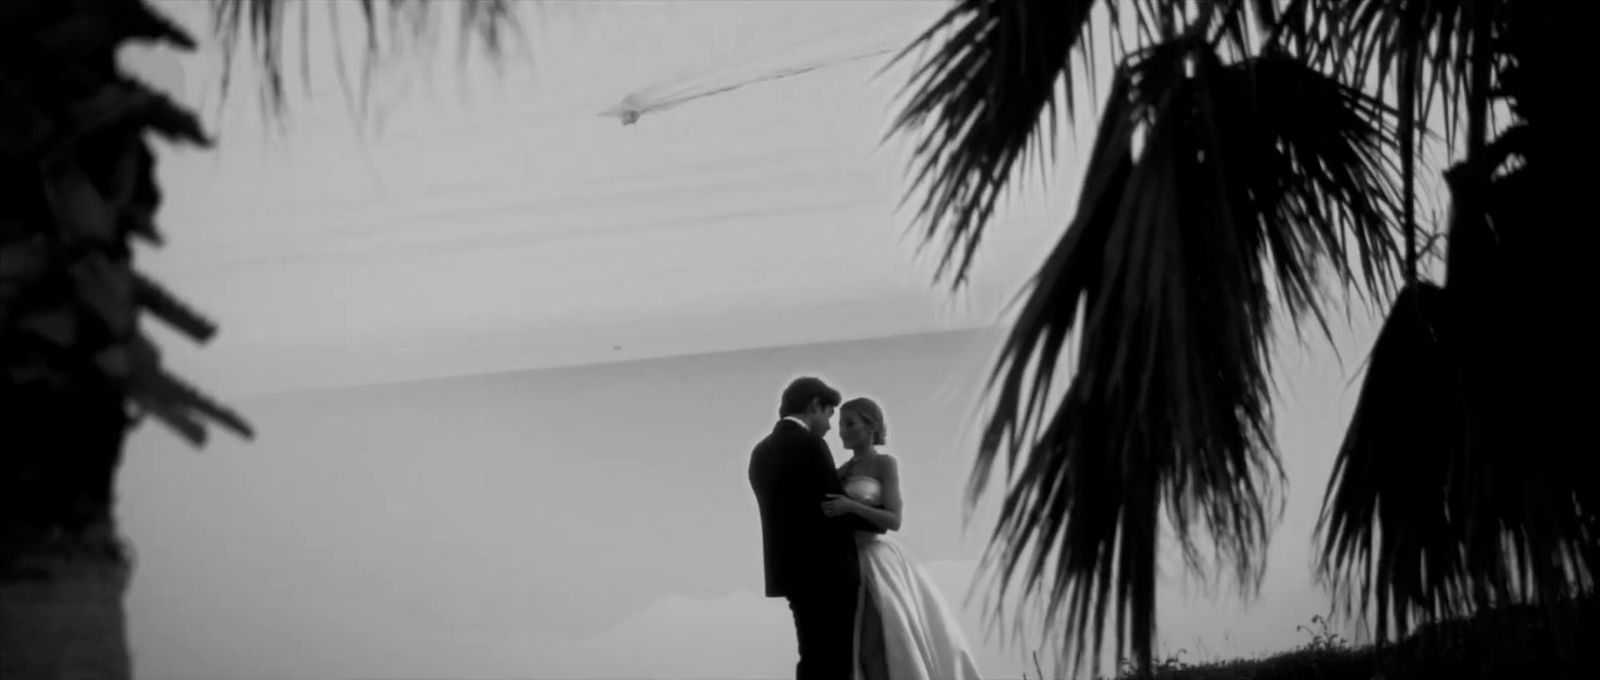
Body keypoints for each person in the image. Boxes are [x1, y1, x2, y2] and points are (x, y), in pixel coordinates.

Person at [822, 396, 984, 680]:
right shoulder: (841, 471)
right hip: (847, 561)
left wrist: (852, 507)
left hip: (876, 560)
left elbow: (894, 520)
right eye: (840, 425)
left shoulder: (884, 464)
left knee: (880, 642)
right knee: (858, 650)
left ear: (870, 427)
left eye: (850, 424)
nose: (842, 431)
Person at [749, 377, 884, 680]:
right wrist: (877, 519)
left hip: (791, 575)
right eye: (828, 415)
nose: (828, 426)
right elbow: (831, 504)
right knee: (836, 660)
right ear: (813, 406)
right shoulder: (810, 444)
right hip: (829, 574)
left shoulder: (760, 452)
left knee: (811, 656)